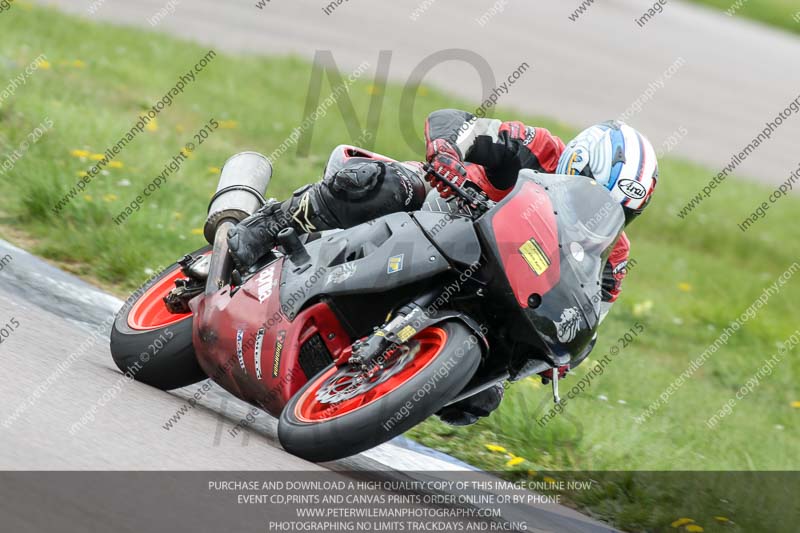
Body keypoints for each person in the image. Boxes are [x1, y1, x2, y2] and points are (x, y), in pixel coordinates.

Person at [227, 109, 659, 426]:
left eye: (622, 212)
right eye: (596, 196)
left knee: (478, 400)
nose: (603, 216)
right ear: (575, 164)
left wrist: (560, 357)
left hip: (491, 290)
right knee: (376, 185)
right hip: (438, 209)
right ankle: (270, 225)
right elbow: (455, 121)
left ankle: (373, 396)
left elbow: (586, 320)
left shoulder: (613, 256)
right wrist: (448, 153)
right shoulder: (538, 147)